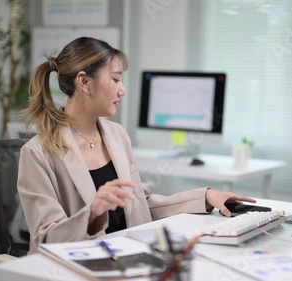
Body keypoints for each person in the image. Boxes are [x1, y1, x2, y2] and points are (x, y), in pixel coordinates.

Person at [17, 37, 256, 251]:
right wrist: (93, 213)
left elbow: (140, 206)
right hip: (80, 266)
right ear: (85, 82)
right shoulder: (37, 153)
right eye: (115, 79)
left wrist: (205, 197)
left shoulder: (117, 135)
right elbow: (46, 238)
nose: (122, 90)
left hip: (129, 256)